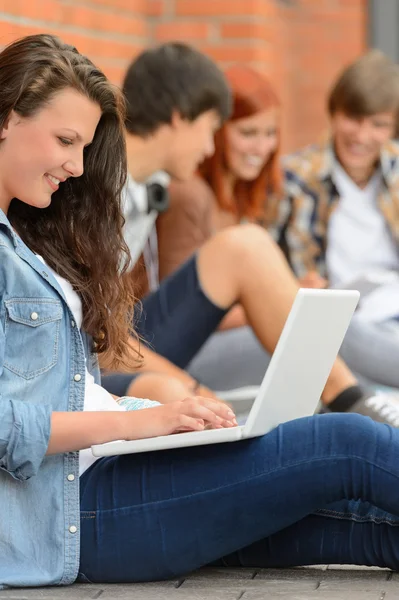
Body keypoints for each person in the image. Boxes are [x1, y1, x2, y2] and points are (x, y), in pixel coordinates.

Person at [5, 33, 399, 590]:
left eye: (83, 146)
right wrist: (138, 419)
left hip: (98, 473)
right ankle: (358, 402)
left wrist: (152, 410)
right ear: (5, 116)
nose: (74, 165)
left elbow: (57, 386)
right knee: (347, 444)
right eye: (65, 140)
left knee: (362, 524)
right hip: (72, 509)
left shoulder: (27, 237)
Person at [123, 57, 399, 424]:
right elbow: (116, 326)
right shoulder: (181, 192)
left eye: (270, 134)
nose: (262, 147)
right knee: (322, 327)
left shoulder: (179, 188)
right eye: (244, 132)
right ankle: (354, 406)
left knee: (317, 325)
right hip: (143, 346)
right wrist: (191, 389)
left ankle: (358, 408)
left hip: (143, 340)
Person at [280, 50, 399, 391]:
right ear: (334, 114)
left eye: (378, 124)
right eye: (353, 118)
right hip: (340, 317)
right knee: (339, 333)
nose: (362, 136)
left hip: (392, 311)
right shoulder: (296, 177)